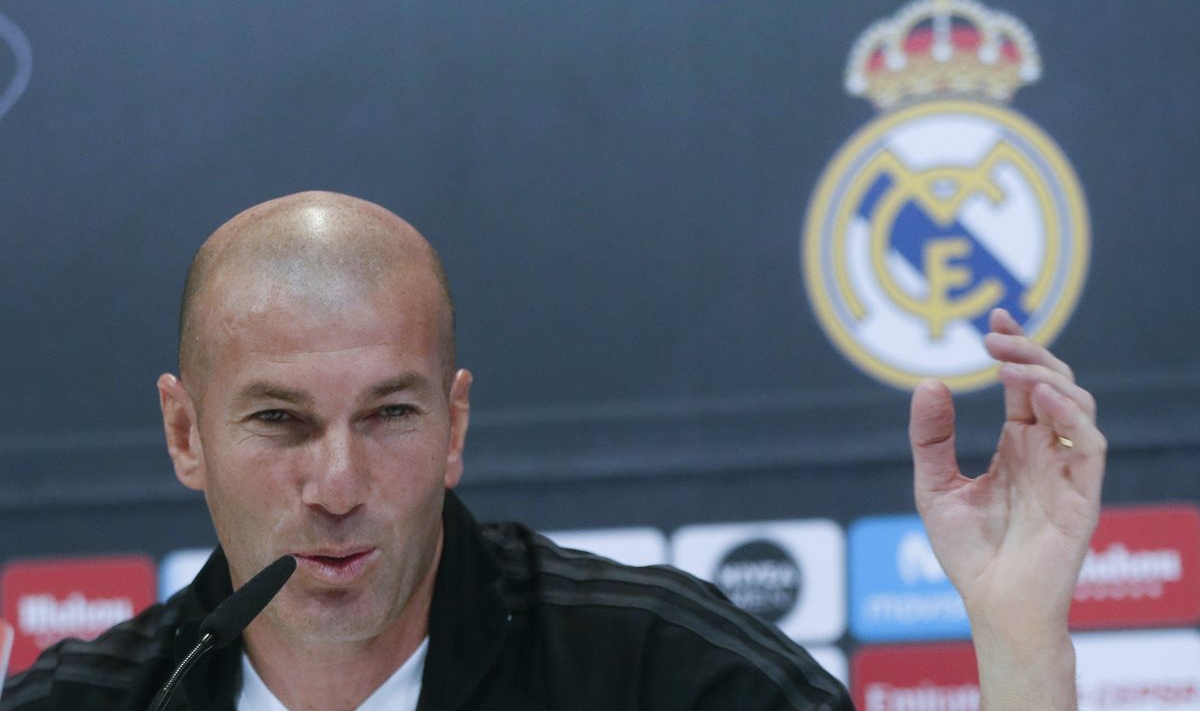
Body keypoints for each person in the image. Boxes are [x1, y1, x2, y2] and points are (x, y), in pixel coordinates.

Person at [1, 191, 1104, 711]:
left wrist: (1018, 644)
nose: (337, 488)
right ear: (184, 433)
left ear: (456, 428)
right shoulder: (85, 707)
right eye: (279, 421)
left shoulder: (665, 676)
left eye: (389, 415)